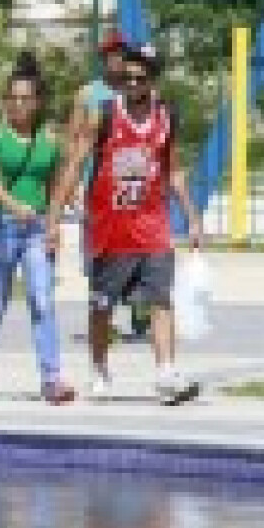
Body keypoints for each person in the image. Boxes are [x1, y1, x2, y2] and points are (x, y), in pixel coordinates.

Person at [46, 43, 203, 405]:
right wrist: (55, 217)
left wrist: (192, 216)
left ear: (152, 80)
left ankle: (165, 373)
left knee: (160, 301)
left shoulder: (167, 117)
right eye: (125, 78)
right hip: (109, 229)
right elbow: (74, 163)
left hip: (152, 225)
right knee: (102, 306)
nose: (131, 84)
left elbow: (173, 170)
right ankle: (99, 369)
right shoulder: (104, 115)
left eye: (139, 79)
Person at [0, 52, 76, 405]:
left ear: (38, 101)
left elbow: (59, 183)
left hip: (36, 230)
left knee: (42, 300)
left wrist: (55, 222)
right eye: (11, 98)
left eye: (25, 98)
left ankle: (51, 378)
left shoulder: (49, 137)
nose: (17, 105)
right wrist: (16, 207)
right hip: (1, 229)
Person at [69, 30, 151, 340]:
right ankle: (103, 316)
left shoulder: (139, 91)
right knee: (98, 254)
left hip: (133, 186)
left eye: (121, 54)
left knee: (136, 247)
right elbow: (74, 139)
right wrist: (72, 183)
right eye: (110, 54)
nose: (116, 60)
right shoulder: (89, 94)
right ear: (103, 58)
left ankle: (139, 308)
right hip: (98, 187)